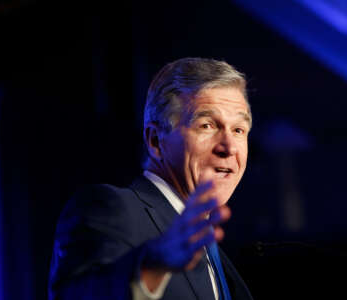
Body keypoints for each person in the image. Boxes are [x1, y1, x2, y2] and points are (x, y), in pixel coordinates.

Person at [48, 57, 254, 300]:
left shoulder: (213, 253)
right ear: (156, 141)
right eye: (207, 125)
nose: (229, 147)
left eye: (238, 130)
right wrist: (152, 265)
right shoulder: (111, 208)